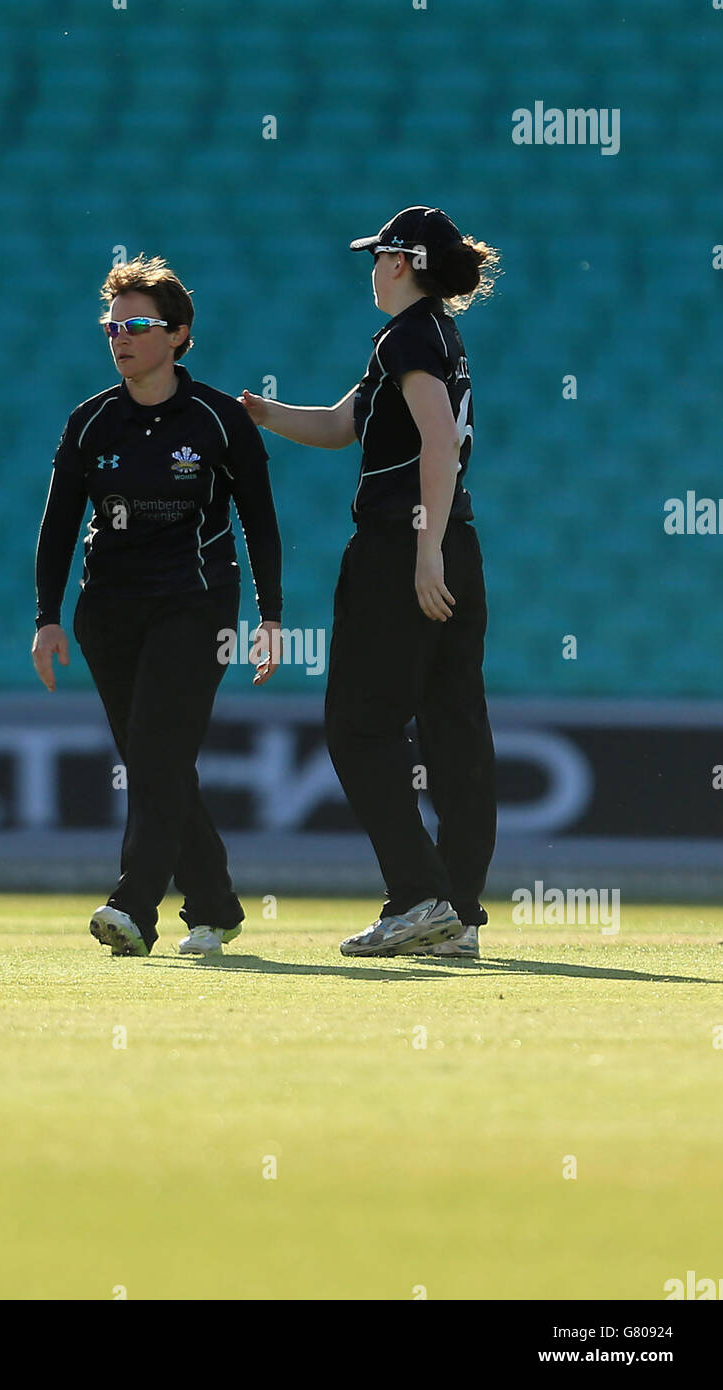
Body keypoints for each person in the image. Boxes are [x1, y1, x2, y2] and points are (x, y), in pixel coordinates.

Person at [241, 206, 500, 960]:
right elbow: (337, 424)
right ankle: (456, 914)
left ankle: (420, 900)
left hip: (402, 548)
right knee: (454, 728)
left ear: (400, 261)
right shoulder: (431, 337)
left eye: (376, 255)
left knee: (358, 727)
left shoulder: (407, 336)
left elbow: (437, 439)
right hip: (455, 541)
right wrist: (262, 414)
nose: (369, 268)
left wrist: (422, 552)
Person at [33, 254, 283, 958]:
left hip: (195, 604)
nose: (120, 337)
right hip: (107, 610)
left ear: (177, 335)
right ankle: (214, 903)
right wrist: (47, 619)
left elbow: (259, 520)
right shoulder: (90, 422)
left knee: (156, 756)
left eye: (137, 325)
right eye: (112, 326)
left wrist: (270, 617)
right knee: (156, 763)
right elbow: (56, 526)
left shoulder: (217, 420)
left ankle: (132, 907)